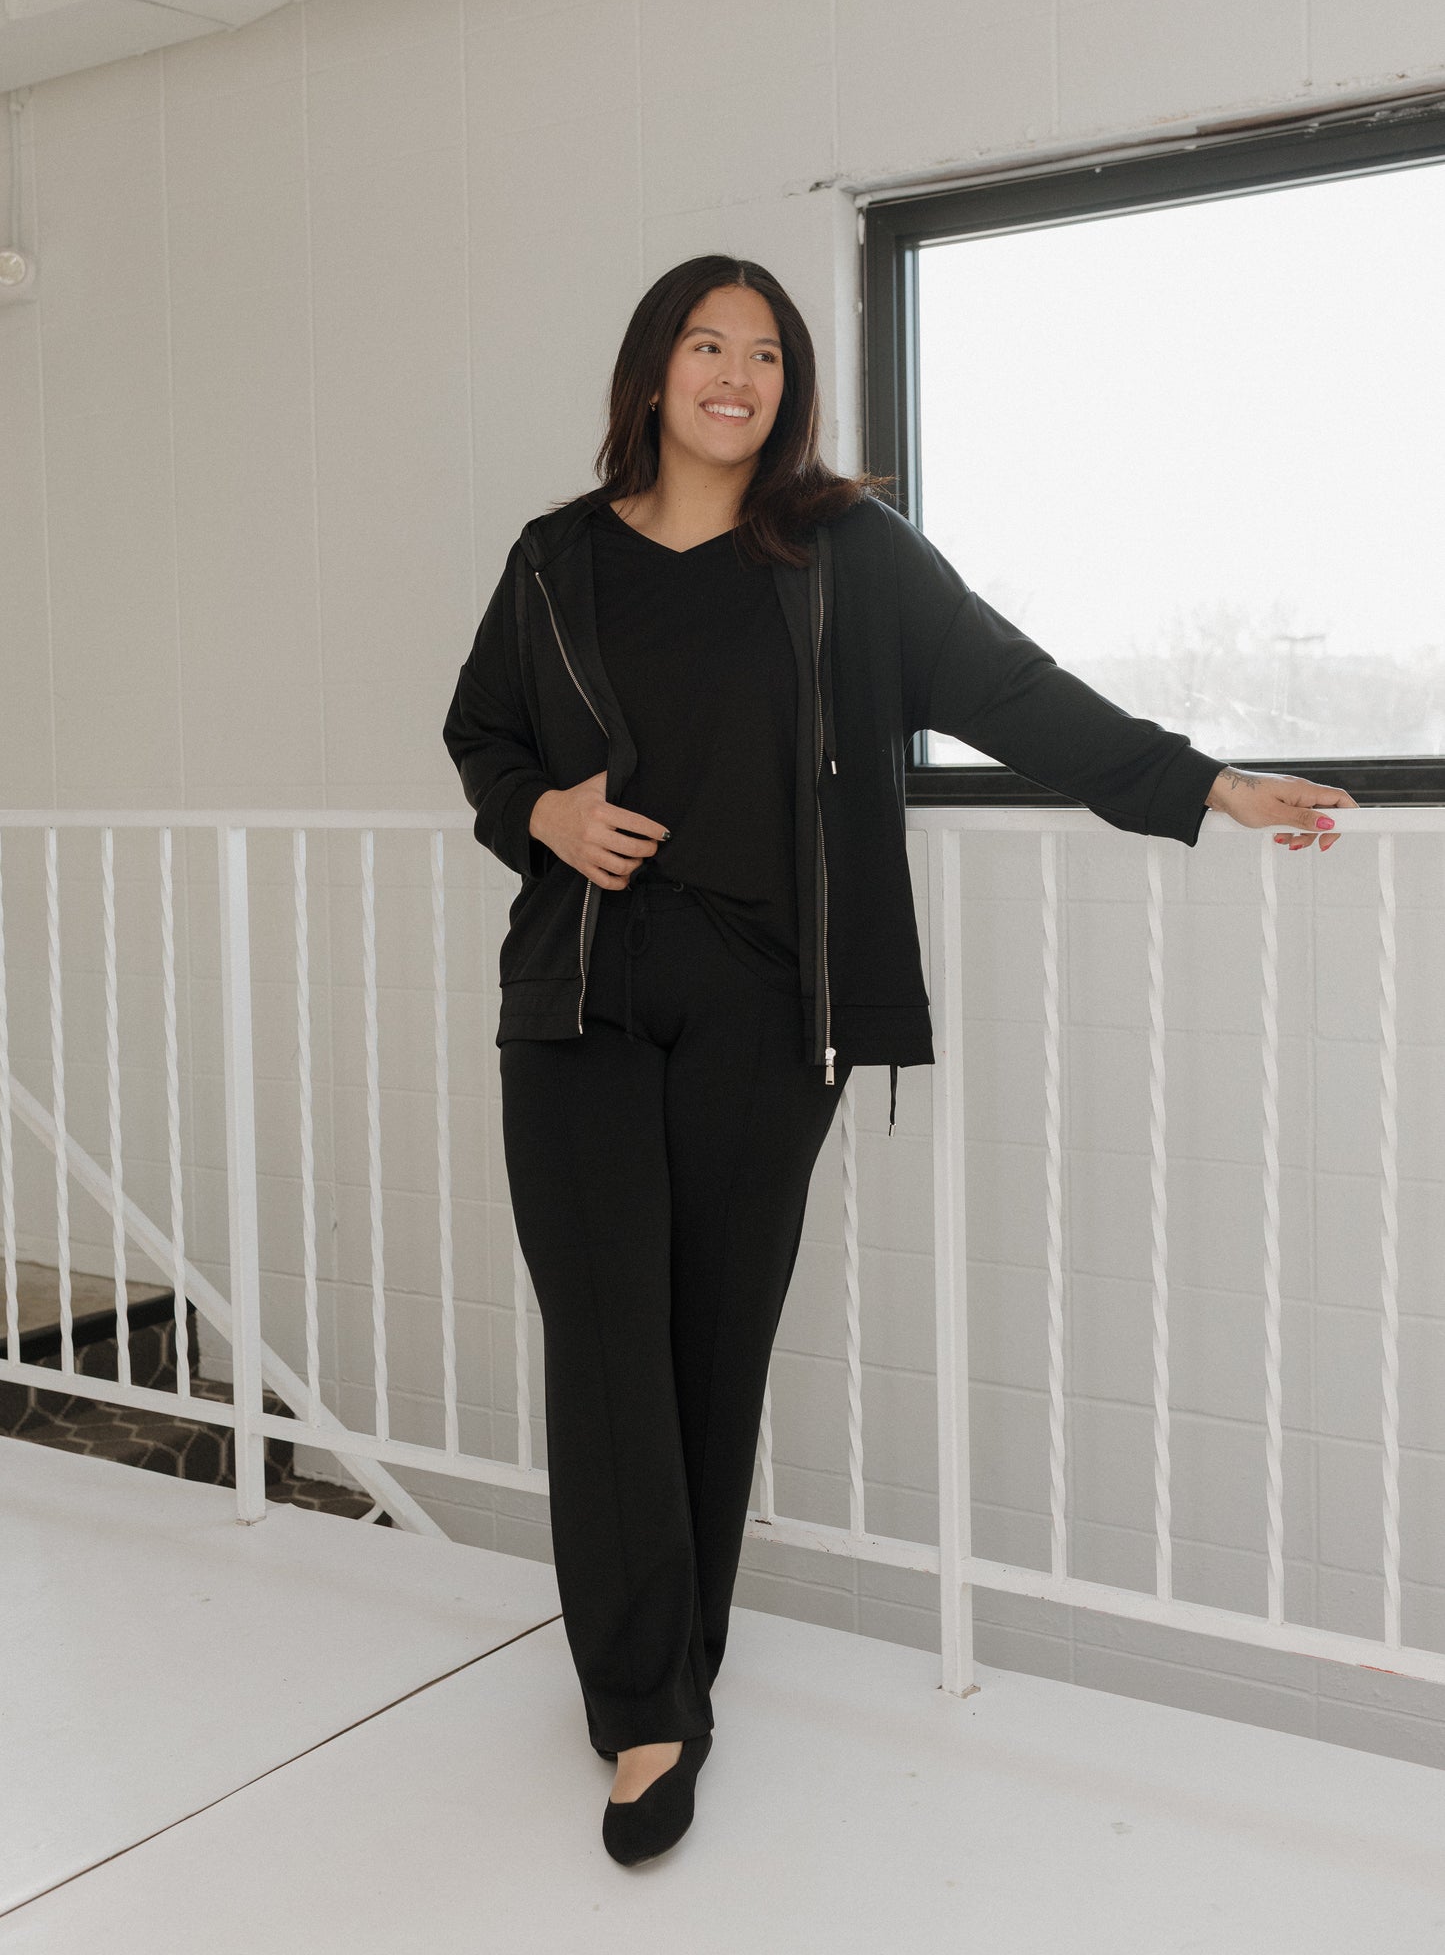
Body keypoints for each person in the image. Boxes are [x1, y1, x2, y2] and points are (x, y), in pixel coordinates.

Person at [442, 254, 1357, 1866]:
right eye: (706, 345)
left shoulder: (840, 554)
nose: (737, 373)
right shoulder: (553, 561)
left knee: (707, 1342)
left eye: (768, 353)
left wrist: (1199, 782)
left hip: (765, 997)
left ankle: (677, 1658)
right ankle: (643, 1705)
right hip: (577, 993)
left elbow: (1006, 688)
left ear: (788, 389)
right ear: (650, 371)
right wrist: (544, 813)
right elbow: (482, 733)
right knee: (601, 1336)